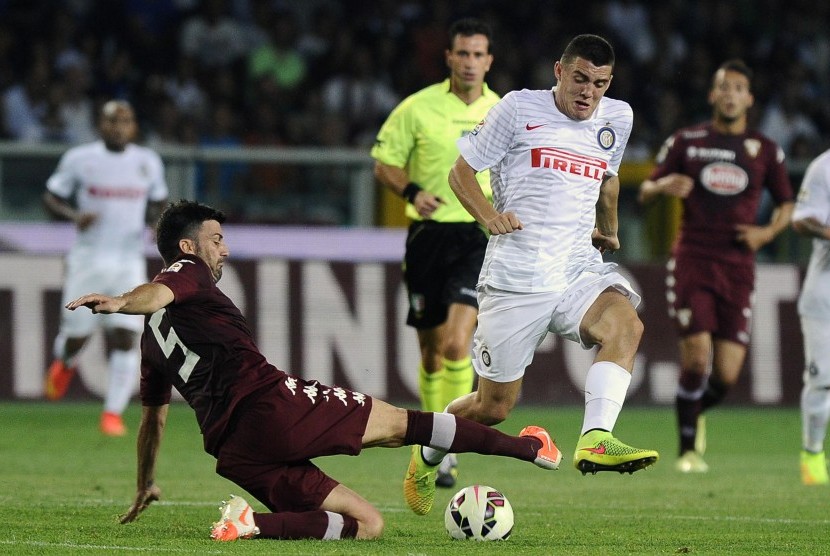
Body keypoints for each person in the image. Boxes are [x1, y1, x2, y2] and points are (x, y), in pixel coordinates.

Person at [64, 199, 561, 541]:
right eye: (216, 239)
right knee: (400, 426)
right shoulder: (183, 272)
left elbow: (153, 420)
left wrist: (145, 481)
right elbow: (157, 292)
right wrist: (118, 303)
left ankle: (250, 524)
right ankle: (528, 447)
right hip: (271, 407)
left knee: (366, 524)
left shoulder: (153, 339)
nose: (225, 249)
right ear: (189, 248)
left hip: (235, 450)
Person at [402, 33, 660, 517]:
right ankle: (428, 452)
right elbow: (462, 173)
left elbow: (609, 177)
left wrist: (609, 229)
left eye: (600, 83)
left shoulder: (616, 117)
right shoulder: (518, 109)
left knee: (626, 325)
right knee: (492, 407)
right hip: (517, 274)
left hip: (576, 267)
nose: (589, 92)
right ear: (559, 72)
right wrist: (488, 217)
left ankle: (597, 436)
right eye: (580, 78)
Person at [638, 59, 794, 473]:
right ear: (712, 95)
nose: (729, 94)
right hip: (693, 259)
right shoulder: (687, 141)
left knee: (725, 375)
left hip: (739, 265)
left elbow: (787, 205)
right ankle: (688, 449)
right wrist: (662, 185)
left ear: (749, 98)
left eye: (738, 87)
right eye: (723, 86)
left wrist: (766, 234)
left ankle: (696, 410)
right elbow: (646, 190)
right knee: (695, 359)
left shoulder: (765, 149)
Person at [370, 17, 499, 488]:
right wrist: (413, 190)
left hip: (476, 236)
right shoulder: (416, 108)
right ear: (449, 57)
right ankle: (433, 431)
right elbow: (383, 162)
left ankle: (444, 446)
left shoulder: (501, 110)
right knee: (429, 355)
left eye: (477, 54)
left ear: (489, 60)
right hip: (427, 237)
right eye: (461, 53)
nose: (469, 62)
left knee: (456, 344)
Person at [44, 100, 169, 436]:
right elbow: (51, 196)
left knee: (128, 335)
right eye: (112, 121)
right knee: (76, 335)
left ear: (134, 127)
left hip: (128, 260)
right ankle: (65, 361)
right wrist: (73, 216)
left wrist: (158, 223)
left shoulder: (147, 161)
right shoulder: (80, 159)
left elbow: (158, 201)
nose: (119, 127)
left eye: (125, 121)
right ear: (101, 125)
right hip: (88, 260)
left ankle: (112, 413)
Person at [790, 149, 830, 485]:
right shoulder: (824, 166)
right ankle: (813, 453)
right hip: (825, 298)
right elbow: (801, 219)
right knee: (824, 378)